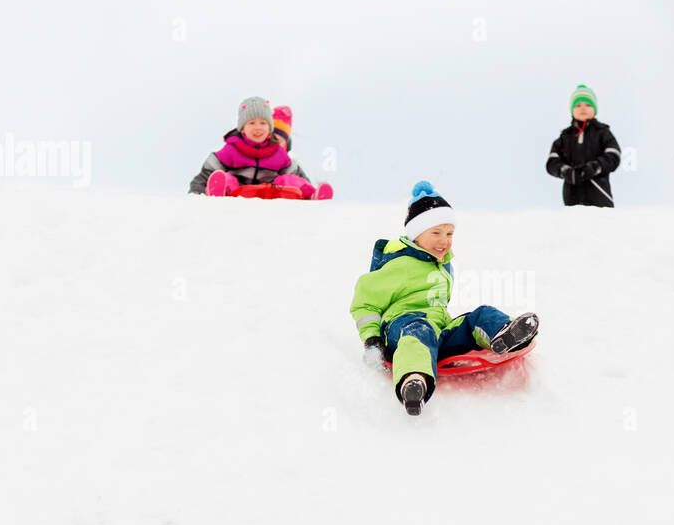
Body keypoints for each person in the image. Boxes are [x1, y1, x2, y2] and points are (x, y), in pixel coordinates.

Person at [349, 181, 539, 415]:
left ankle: (506, 334)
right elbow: (365, 301)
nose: (444, 240)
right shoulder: (400, 264)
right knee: (419, 333)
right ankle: (414, 380)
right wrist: (372, 340)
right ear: (416, 235)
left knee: (477, 316)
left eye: (449, 233)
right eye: (436, 233)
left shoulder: (441, 264)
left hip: (440, 328)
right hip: (404, 326)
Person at [188, 96, 333, 200]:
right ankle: (216, 191)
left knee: (288, 179)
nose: (258, 128)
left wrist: (306, 186)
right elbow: (207, 172)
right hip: (239, 190)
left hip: (272, 191)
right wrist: (196, 192)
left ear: (270, 128)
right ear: (242, 129)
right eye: (252, 123)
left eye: (263, 123)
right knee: (226, 179)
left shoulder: (277, 152)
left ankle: (313, 195)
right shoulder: (232, 149)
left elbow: (297, 176)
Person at [545, 84, 621, 207]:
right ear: (572, 110)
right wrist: (566, 171)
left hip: (599, 195)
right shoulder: (565, 136)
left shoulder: (602, 132)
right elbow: (552, 162)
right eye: (578, 105)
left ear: (595, 109)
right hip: (572, 198)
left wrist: (596, 166)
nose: (583, 108)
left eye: (588, 105)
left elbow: (614, 155)